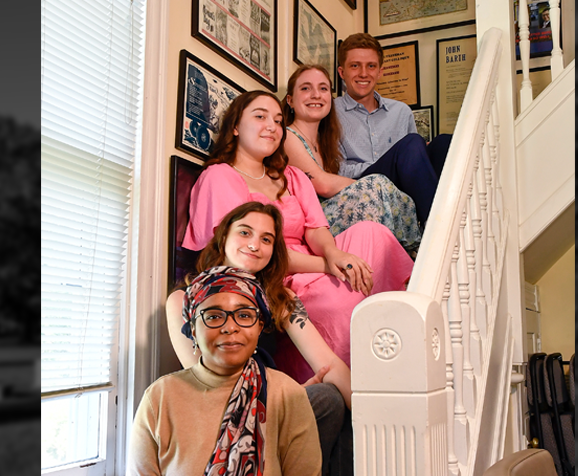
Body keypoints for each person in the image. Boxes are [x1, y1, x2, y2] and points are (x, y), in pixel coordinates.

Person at [182, 90, 413, 385]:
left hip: (314, 259)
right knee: (342, 298)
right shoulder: (220, 176)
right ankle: (359, 377)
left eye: (278, 121)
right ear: (236, 126)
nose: (272, 126)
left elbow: (316, 229)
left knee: (373, 233)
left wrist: (333, 254)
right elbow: (251, 252)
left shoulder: (291, 175)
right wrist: (326, 266)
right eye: (260, 116)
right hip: (275, 275)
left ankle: (404, 321)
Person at [167, 201, 352, 475]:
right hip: (221, 416)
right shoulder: (182, 300)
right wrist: (281, 397)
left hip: (276, 409)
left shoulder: (279, 298)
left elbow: (328, 363)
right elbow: (204, 382)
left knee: (340, 401)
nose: (255, 245)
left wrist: (373, 417)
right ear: (223, 236)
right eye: (245, 232)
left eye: (266, 239)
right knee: (327, 400)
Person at [129, 267, 322, 475]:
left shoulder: (288, 395)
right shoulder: (159, 398)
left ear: (259, 326)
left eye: (244, 315)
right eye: (213, 316)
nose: (230, 327)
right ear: (193, 329)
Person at [281, 64, 421, 254]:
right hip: (314, 227)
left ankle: (406, 255)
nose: (316, 95)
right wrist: (375, 186)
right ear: (290, 100)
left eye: (323, 89)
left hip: (330, 217)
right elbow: (322, 184)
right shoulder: (288, 136)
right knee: (377, 185)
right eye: (306, 88)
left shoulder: (326, 144)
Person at [335, 32, 454, 225]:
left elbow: (414, 161)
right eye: (355, 66)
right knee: (413, 144)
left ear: (380, 72)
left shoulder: (401, 111)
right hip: (364, 184)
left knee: (444, 143)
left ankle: (447, 216)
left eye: (371, 66)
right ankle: (441, 226)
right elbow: (336, 170)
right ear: (342, 72)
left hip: (401, 185)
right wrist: (393, 163)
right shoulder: (331, 112)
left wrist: (406, 163)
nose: (363, 73)